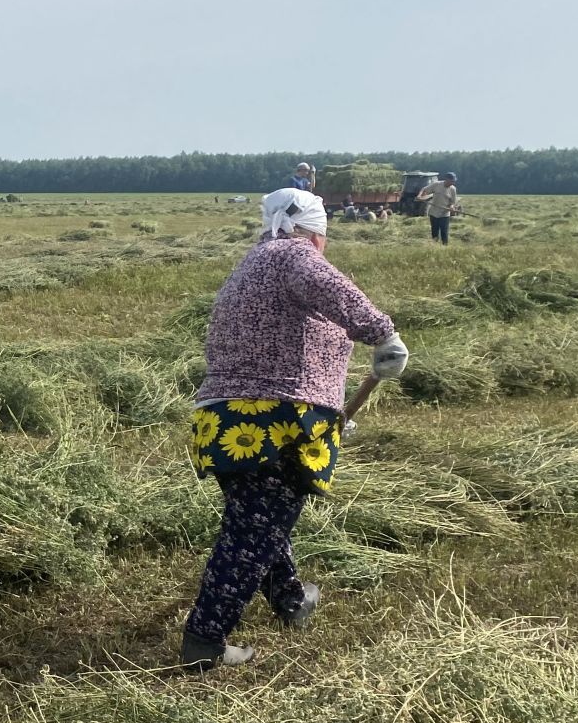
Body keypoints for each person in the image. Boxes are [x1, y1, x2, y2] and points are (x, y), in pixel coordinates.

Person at [180, 187, 408, 669]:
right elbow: (334, 290)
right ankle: (205, 641)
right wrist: (383, 333)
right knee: (253, 532)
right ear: (315, 231)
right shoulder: (292, 255)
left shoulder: (255, 260)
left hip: (228, 416)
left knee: (260, 518)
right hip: (276, 419)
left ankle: (290, 599)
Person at [418, 171, 459, 244]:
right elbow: (424, 189)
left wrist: (452, 207)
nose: (453, 183)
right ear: (446, 179)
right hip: (434, 212)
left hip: (444, 214)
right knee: (434, 231)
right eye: (451, 181)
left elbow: (453, 202)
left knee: (444, 232)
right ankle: (434, 246)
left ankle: (445, 246)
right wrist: (419, 196)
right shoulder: (437, 184)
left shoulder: (453, 189)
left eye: (454, 181)